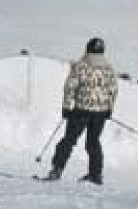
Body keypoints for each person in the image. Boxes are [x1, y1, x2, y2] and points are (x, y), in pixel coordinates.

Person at [43, 37, 118, 185]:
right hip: (100, 113)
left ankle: (57, 170)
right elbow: (114, 90)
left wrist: (66, 107)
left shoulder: (81, 66)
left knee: (69, 140)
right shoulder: (109, 68)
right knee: (93, 142)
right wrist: (110, 108)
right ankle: (95, 175)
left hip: (81, 111)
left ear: (88, 49)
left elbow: (70, 87)